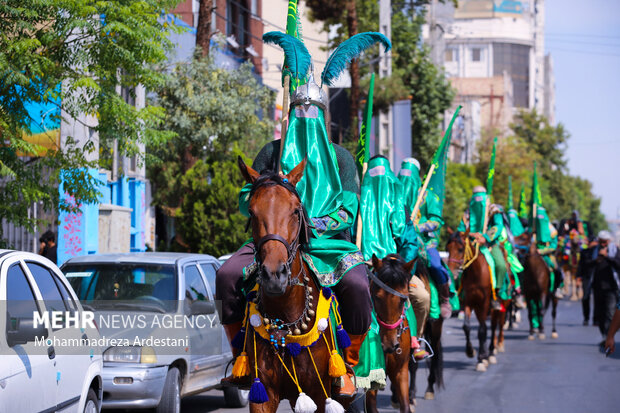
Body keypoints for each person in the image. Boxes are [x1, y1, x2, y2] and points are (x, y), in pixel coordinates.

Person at [216, 75, 370, 396]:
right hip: (273, 236)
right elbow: (248, 197)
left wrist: (313, 225)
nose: (305, 116)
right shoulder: (271, 151)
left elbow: (349, 209)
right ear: (290, 115)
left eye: (312, 110)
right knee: (226, 275)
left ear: (323, 116)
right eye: (299, 111)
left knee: (357, 284)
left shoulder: (341, 158)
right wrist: (269, 205)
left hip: (326, 242)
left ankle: (349, 362)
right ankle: (240, 358)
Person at [362, 156, 429, 361]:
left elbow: (410, 244)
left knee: (423, 298)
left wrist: (401, 268)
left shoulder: (402, 209)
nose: (379, 179)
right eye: (374, 174)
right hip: (365, 268)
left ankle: (417, 338)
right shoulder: (358, 205)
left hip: (394, 271)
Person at [399, 157, 452, 319]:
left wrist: (418, 227)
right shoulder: (395, 193)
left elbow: (437, 220)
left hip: (425, 242)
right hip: (401, 239)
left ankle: (444, 298)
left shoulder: (428, 196)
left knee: (435, 265)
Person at [458, 187, 506, 310]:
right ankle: (458, 295)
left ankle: (496, 294)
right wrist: (469, 235)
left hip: (489, 245)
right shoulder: (468, 211)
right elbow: (461, 229)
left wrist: (485, 238)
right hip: (470, 246)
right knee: (456, 266)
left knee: (501, 265)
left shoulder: (493, 209)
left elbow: (498, 226)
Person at [582, 230, 620, 340]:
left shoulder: (615, 251)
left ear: (609, 241)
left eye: (605, 242)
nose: (603, 244)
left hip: (611, 287)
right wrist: (597, 260)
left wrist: (607, 257)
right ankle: (604, 335)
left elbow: (618, 264)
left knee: (609, 312)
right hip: (597, 287)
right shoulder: (593, 251)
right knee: (600, 314)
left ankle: (609, 336)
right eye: (601, 242)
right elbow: (586, 265)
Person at [534, 206, 564, 299]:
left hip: (547, 254)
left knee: (557, 270)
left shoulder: (553, 231)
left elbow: (553, 246)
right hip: (534, 253)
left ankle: (557, 288)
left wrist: (542, 251)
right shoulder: (533, 228)